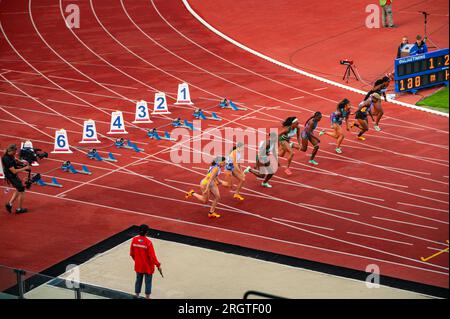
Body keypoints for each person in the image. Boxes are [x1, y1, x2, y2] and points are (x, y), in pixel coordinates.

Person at [130, 224, 162, 299]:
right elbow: (152, 256)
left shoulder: (134, 240)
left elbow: (132, 254)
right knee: (148, 282)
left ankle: (137, 295)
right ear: (146, 232)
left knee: (138, 280)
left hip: (138, 266)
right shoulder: (148, 242)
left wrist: (137, 260)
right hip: (148, 267)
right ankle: (147, 297)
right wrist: (158, 265)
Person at [2, 144, 30, 214]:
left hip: (13, 175)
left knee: (19, 189)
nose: (15, 153)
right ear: (11, 150)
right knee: (21, 190)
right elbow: (14, 170)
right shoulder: (6, 159)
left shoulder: (11, 155)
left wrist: (22, 163)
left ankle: (9, 204)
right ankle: (19, 209)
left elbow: (15, 161)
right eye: (15, 151)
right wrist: (25, 168)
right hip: (11, 176)